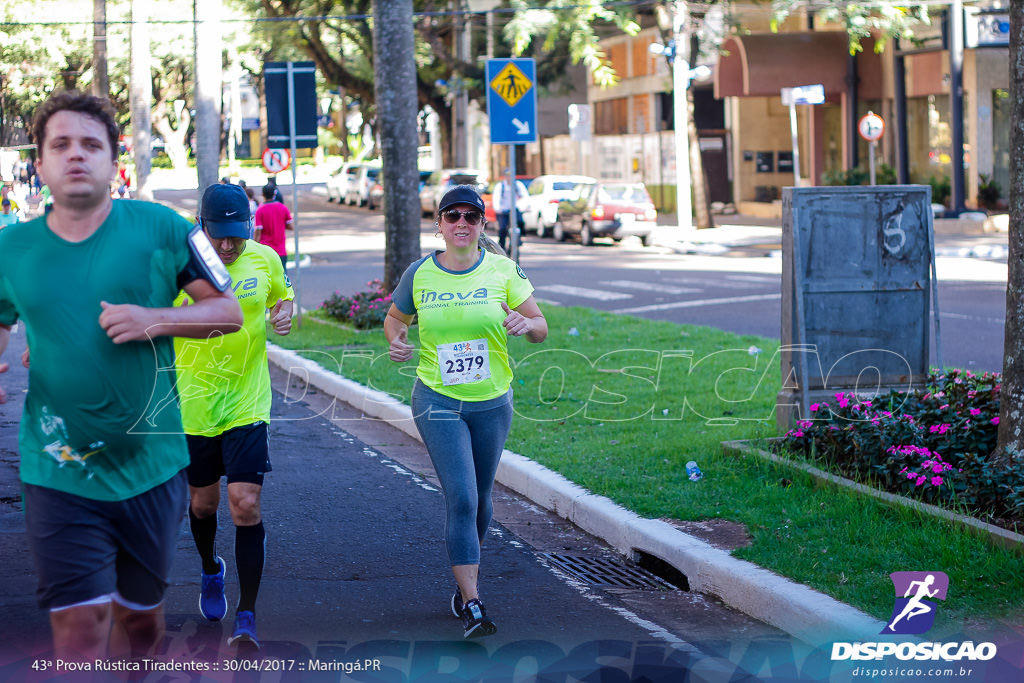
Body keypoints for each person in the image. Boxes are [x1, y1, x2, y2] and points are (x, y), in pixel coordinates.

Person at [0, 90, 243, 662]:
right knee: (80, 628)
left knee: (139, 622)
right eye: (60, 145)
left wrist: (154, 318)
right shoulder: (11, 249)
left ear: (115, 160)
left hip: (150, 466)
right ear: (40, 164)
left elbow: (227, 313)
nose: (76, 155)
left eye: (91, 144)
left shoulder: (163, 228)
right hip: (57, 468)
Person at [384, 185, 548, 639]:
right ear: (438, 224)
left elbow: (540, 327)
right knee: (462, 497)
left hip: (493, 402)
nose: (461, 223)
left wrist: (526, 324)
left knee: (483, 501)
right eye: (451, 215)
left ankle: (463, 585)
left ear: (481, 225)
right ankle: (474, 604)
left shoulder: (503, 270)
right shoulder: (419, 274)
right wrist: (396, 341)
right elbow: (396, 319)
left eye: (470, 217)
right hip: (437, 399)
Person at [175, 183, 294, 649]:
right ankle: (210, 569)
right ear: (201, 226)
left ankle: (247, 614)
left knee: (244, 503)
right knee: (203, 505)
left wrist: (282, 313)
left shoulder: (264, 259)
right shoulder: (176, 267)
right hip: (194, 405)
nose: (228, 245)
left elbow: (280, 298)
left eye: (236, 236)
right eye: (219, 236)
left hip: (248, 401)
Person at [254, 183, 293, 271]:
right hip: (281, 250)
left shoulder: (260, 210)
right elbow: (290, 226)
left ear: (262, 195)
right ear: (275, 194)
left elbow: (258, 232)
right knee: (283, 277)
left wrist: (255, 246)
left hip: (266, 251)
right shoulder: (283, 208)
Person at [491, 173, 527, 254]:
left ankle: (519, 238)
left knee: (521, 222)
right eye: (507, 176)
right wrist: (498, 209)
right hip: (503, 211)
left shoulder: (518, 185)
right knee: (503, 228)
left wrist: (523, 207)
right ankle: (502, 245)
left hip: (514, 210)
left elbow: (525, 197)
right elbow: (496, 198)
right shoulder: (500, 186)